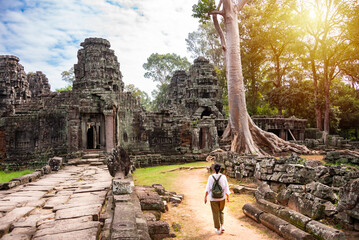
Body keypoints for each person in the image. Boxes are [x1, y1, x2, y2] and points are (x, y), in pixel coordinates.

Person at [204, 163, 230, 235]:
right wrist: (227, 196)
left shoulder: (210, 177)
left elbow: (208, 188)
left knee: (215, 213)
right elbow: (226, 187)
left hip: (213, 198)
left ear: (213, 169)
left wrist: (205, 197)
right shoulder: (223, 177)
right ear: (220, 169)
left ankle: (218, 229)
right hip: (222, 197)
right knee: (221, 211)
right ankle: (222, 225)